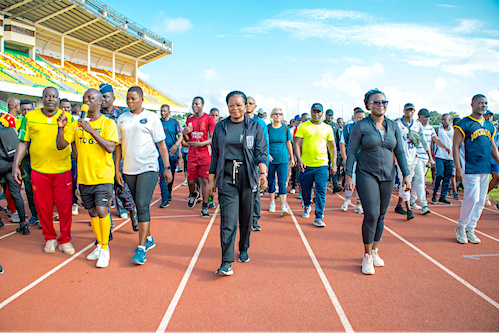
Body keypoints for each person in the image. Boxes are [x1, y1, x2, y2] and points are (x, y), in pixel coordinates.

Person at [345, 88, 410, 275]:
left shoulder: (393, 126)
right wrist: (348, 175)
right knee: (371, 214)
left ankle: (374, 251)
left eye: (384, 102)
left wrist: (405, 174)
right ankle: (366, 256)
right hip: (366, 174)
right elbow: (351, 151)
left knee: (381, 215)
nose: (381, 105)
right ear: (368, 105)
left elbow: (399, 152)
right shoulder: (361, 126)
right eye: (376, 102)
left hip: (388, 175)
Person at [56, 89, 118, 268]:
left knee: (101, 210)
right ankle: (99, 244)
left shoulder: (108, 123)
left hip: (103, 176)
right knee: (91, 212)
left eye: (91, 98)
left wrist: (90, 130)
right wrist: (61, 129)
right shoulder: (75, 124)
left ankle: (105, 248)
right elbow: (61, 145)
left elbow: (110, 147)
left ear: (100, 102)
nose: (87, 101)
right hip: (84, 177)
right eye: (85, 98)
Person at [209, 91, 267, 276]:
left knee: (246, 217)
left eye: (239, 104)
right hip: (227, 176)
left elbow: (261, 152)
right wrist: (212, 180)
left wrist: (263, 173)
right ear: (227, 107)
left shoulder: (255, 127)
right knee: (228, 219)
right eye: (231, 105)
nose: (235, 108)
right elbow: (215, 155)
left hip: (248, 175)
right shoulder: (220, 127)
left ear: (246, 106)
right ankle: (226, 262)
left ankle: (243, 247)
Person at [13, 87, 75, 255]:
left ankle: (65, 239)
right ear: (42, 98)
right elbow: (23, 142)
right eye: (47, 96)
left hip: (62, 170)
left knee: (64, 208)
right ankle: (49, 238)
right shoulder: (30, 117)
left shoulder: (68, 118)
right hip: (39, 171)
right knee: (43, 207)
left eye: (54, 96)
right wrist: (15, 165)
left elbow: (65, 144)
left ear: (58, 99)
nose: (50, 99)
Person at [115, 86, 173, 264]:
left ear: (141, 99)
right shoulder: (122, 118)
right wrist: (117, 169)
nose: (129, 101)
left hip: (148, 167)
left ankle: (141, 249)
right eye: (127, 99)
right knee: (136, 205)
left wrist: (167, 167)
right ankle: (148, 239)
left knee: (142, 204)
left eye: (133, 98)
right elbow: (118, 145)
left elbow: (162, 145)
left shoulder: (152, 118)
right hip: (129, 169)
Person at [453, 94, 499, 244]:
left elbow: (493, 147)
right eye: (480, 103)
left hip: (484, 168)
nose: (483, 106)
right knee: (471, 198)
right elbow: (455, 146)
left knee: (480, 200)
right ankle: (461, 226)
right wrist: (458, 168)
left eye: (485, 103)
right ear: (472, 104)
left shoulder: (490, 126)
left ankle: (471, 228)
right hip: (469, 167)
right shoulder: (464, 123)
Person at [99, 83, 138, 229]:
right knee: (104, 193)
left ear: (113, 98)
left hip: (120, 160)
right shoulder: (96, 116)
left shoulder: (123, 114)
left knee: (124, 192)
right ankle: (106, 221)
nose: (103, 100)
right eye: (101, 97)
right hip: (101, 160)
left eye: (106, 97)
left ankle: (133, 212)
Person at [294, 103, 337, 227]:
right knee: (305, 189)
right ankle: (307, 205)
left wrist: (334, 164)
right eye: (314, 112)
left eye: (319, 112)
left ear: (322, 113)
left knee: (321, 190)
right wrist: (299, 159)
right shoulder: (303, 126)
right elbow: (296, 143)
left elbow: (333, 147)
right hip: (306, 164)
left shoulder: (327, 128)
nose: (316, 114)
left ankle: (319, 216)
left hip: (322, 164)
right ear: (311, 112)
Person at [394, 103, 432, 220]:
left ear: (414, 111)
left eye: (411, 110)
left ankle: (400, 204)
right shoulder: (398, 124)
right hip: (401, 158)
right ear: (404, 111)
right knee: (405, 181)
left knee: (415, 180)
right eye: (407, 110)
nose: (409, 112)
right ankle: (408, 209)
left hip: (414, 157)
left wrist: (430, 156)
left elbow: (424, 141)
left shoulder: (417, 124)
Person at [411, 108, 450, 213]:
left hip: (425, 157)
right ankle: (424, 204)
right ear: (419, 117)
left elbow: (435, 139)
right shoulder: (414, 126)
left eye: (428, 117)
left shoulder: (430, 128)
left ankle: (412, 200)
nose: (427, 119)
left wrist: (445, 147)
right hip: (416, 156)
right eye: (425, 117)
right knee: (420, 180)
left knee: (418, 180)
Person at [182, 97, 216, 217]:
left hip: (204, 154)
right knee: (191, 181)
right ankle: (194, 193)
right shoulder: (189, 120)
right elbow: (187, 140)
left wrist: (200, 144)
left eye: (197, 104)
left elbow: (213, 138)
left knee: (205, 181)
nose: (194, 106)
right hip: (192, 154)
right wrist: (185, 133)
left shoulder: (209, 119)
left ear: (202, 105)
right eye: (193, 104)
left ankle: (205, 206)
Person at [245, 96, 269, 231]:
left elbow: (264, 144)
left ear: (255, 106)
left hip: (255, 162)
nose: (248, 106)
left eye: (251, 104)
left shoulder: (261, 124)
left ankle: (255, 220)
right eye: (246, 103)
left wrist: (264, 168)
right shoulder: (238, 121)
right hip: (241, 161)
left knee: (255, 193)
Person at [267, 107, 295, 216]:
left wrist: (292, 157)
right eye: (275, 114)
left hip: (283, 159)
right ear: (272, 116)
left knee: (282, 183)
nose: (278, 115)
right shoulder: (268, 128)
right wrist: (267, 155)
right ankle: (272, 203)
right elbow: (264, 142)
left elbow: (289, 143)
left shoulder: (285, 129)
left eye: (280, 114)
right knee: (271, 181)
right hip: (270, 159)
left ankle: (284, 206)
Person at [340, 107, 366, 213]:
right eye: (359, 117)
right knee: (350, 180)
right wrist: (345, 158)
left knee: (362, 182)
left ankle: (359, 204)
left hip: (364, 160)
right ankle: (347, 200)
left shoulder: (368, 128)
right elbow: (342, 143)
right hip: (352, 159)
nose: (361, 119)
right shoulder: (348, 128)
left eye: (363, 118)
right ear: (354, 118)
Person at [18, 100, 39, 227]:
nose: (26, 112)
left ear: (33, 109)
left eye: (28, 109)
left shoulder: (37, 122)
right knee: (29, 190)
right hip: (25, 161)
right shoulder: (19, 123)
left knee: (41, 190)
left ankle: (43, 216)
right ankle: (34, 215)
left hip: (39, 160)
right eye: (24, 109)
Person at [158, 104, 182, 208]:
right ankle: (164, 198)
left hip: (172, 153)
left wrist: (176, 146)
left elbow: (180, 136)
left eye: (164, 111)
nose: (162, 113)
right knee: (163, 175)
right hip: (160, 153)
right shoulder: (157, 122)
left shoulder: (174, 122)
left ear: (169, 112)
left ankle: (169, 192)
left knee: (171, 174)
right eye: (161, 111)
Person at [431, 113, 455, 206]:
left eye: (445, 120)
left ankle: (443, 197)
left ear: (449, 120)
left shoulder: (453, 131)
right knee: (439, 175)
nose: (443, 121)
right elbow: (433, 141)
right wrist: (432, 155)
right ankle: (435, 193)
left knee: (447, 177)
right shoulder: (438, 130)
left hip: (450, 157)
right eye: (442, 120)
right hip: (439, 156)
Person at [324, 109, 342, 193]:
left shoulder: (335, 125)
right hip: (323, 149)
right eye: (328, 115)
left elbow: (338, 138)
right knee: (324, 167)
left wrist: (340, 150)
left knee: (333, 166)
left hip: (333, 149)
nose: (330, 117)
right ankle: (323, 184)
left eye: (331, 116)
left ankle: (335, 185)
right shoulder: (322, 124)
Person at [484, 110, 499, 206]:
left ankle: (485, 193)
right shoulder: (480, 127)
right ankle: (481, 195)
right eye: (487, 116)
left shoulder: (494, 128)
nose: (489, 118)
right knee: (483, 177)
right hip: (484, 156)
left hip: (493, 156)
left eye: (490, 116)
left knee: (497, 177)